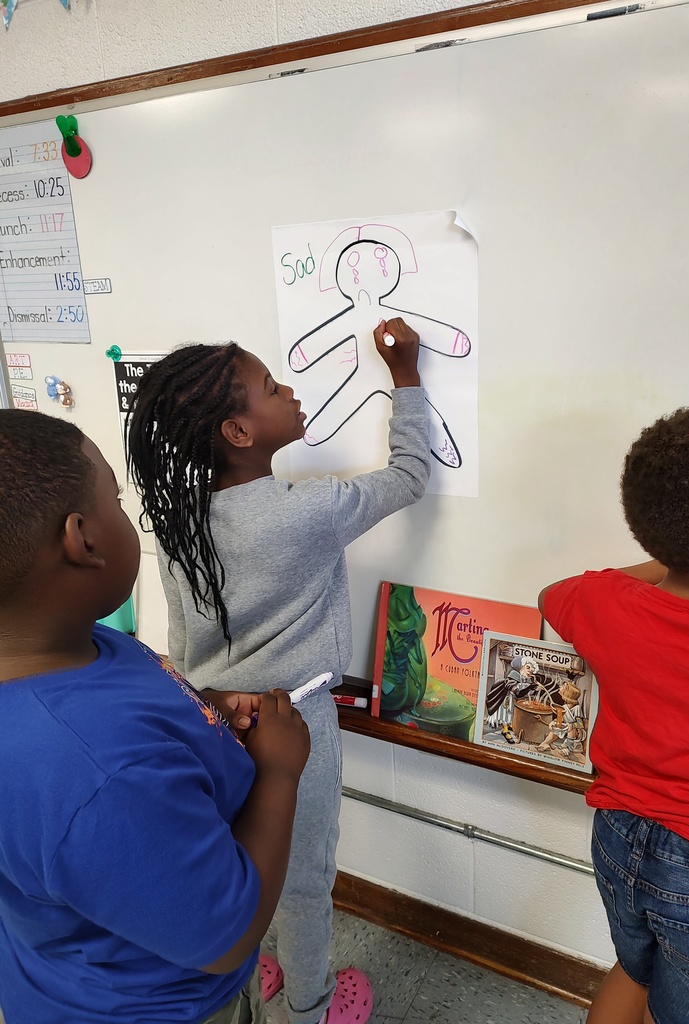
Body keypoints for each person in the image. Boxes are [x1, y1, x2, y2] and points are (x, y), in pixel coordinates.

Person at [125, 316, 430, 1024]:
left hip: (209, 721)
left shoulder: (181, 521)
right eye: (270, 386)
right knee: (303, 882)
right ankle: (311, 1008)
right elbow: (411, 476)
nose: (290, 391)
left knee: (239, 856)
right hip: (294, 727)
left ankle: (251, 975)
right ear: (239, 432)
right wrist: (407, 375)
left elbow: (183, 631)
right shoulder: (308, 511)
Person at [0, 409, 310, 1024]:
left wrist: (203, 714)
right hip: (159, 1005)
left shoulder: (80, 644)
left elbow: (132, 708)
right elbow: (229, 936)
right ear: (82, 539)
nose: (129, 516)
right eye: (115, 499)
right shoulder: (97, 774)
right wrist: (278, 772)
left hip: (62, 971)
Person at [539, 399, 689, 1024]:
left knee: (636, 970)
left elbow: (550, 596)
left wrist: (675, 556)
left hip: (618, 840)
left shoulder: (605, 602)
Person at [484, 655, 539, 733]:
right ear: (521, 667)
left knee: (512, 713)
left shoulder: (526, 679)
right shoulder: (513, 675)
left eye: (532, 669)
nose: (530, 670)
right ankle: (505, 729)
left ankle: (510, 726)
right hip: (506, 699)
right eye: (528, 667)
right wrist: (529, 688)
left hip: (514, 701)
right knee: (506, 713)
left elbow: (526, 692)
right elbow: (517, 692)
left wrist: (534, 688)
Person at [536, 680, 586, 758]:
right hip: (566, 728)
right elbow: (560, 719)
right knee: (555, 729)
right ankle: (545, 743)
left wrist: (572, 726)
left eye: (563, 686)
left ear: (568, 693)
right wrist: (554, 722)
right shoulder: (564, 707)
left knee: (571, 730)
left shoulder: (576, 708)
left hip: (575, 731)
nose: (560, 687)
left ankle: (568, 748)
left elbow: (580, 724)